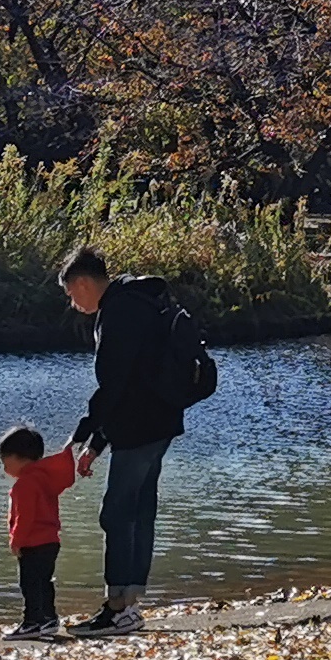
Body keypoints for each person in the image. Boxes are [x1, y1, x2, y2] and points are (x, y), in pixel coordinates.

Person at [62, 242, 209, 635]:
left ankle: (117, 606)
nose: (72, 302)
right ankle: (130, 602)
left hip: (141, 426)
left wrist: (82, 433)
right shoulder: (139, 300)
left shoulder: (119, 312)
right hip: (160, 421)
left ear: (82, 283)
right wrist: (96, 444)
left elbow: (114, 385)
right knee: (140, 509)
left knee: (116, 512)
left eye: (71, 293)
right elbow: (130, 384)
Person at [0, 424, 81, 641]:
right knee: (44, 581)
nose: (4, 467)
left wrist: (16, 541)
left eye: (6, 461)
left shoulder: (25, 484)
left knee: (29, 583)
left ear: (20, 458)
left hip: (33, 542)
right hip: (51, 540)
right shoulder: (45, 479)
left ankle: (32, 622)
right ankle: (49, 618)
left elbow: (26, 517)